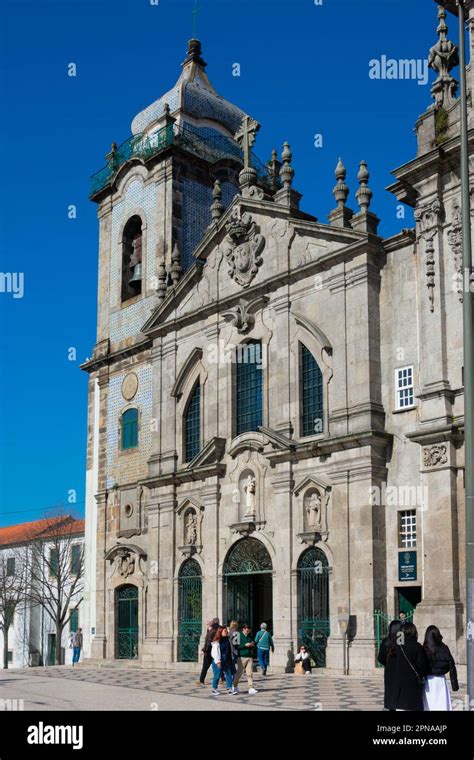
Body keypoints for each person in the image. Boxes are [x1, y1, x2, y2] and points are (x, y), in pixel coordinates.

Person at [393, 622, 429, 711]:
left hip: (400, 686)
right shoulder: (418, 647)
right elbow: (422, 666)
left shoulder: (397, 647)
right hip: (414, 686)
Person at [422, 625, 459, 710]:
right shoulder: (444, 648)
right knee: (441, 704)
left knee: (429, 705)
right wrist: (454, 685)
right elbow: (451, 666)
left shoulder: (424, 649)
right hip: (441, 680)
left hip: (428, 681)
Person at [377, 620, 402, 711]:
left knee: (389, 690)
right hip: (401, 670)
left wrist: (387, 664)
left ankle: (389, 707)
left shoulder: (385, 641)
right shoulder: (403, 642)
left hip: (389, 670)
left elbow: (380, 658)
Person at [210, 626, 238, 696]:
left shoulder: (227, 639)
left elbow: (230, 650)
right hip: (219, 660)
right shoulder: (217, 642)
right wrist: (217, 661)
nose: (226, 632)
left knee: (228, 674)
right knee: (217, 675)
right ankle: (214, 689)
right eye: (225, 631)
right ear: (220, 632)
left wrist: (231, 657)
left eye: (226, 631)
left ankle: (229, 689)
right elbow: (215, 652)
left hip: (226, 659)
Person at [233, 623, 258, 695]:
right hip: (241, 657)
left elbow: (253, 645)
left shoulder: (250, 636)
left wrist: (252, 644)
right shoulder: (238, 635)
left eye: (249, 629)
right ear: (243, 629)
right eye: (247, 629)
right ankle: (234, 686)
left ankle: (251, 687)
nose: (248, 631)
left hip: (249, 657)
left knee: (250, 673)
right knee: (239, 673)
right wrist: (244, 645)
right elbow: (236, 647)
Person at [197, 619, 219, 686]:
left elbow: (208, 642)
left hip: (209, 652)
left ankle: (201, 680)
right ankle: (223, 678)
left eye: (208, 624)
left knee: (205, 666)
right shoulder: (214, 630)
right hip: (213, 651)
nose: (207, 625)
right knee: (217, 665)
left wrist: (205, 650)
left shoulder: (211, 631)